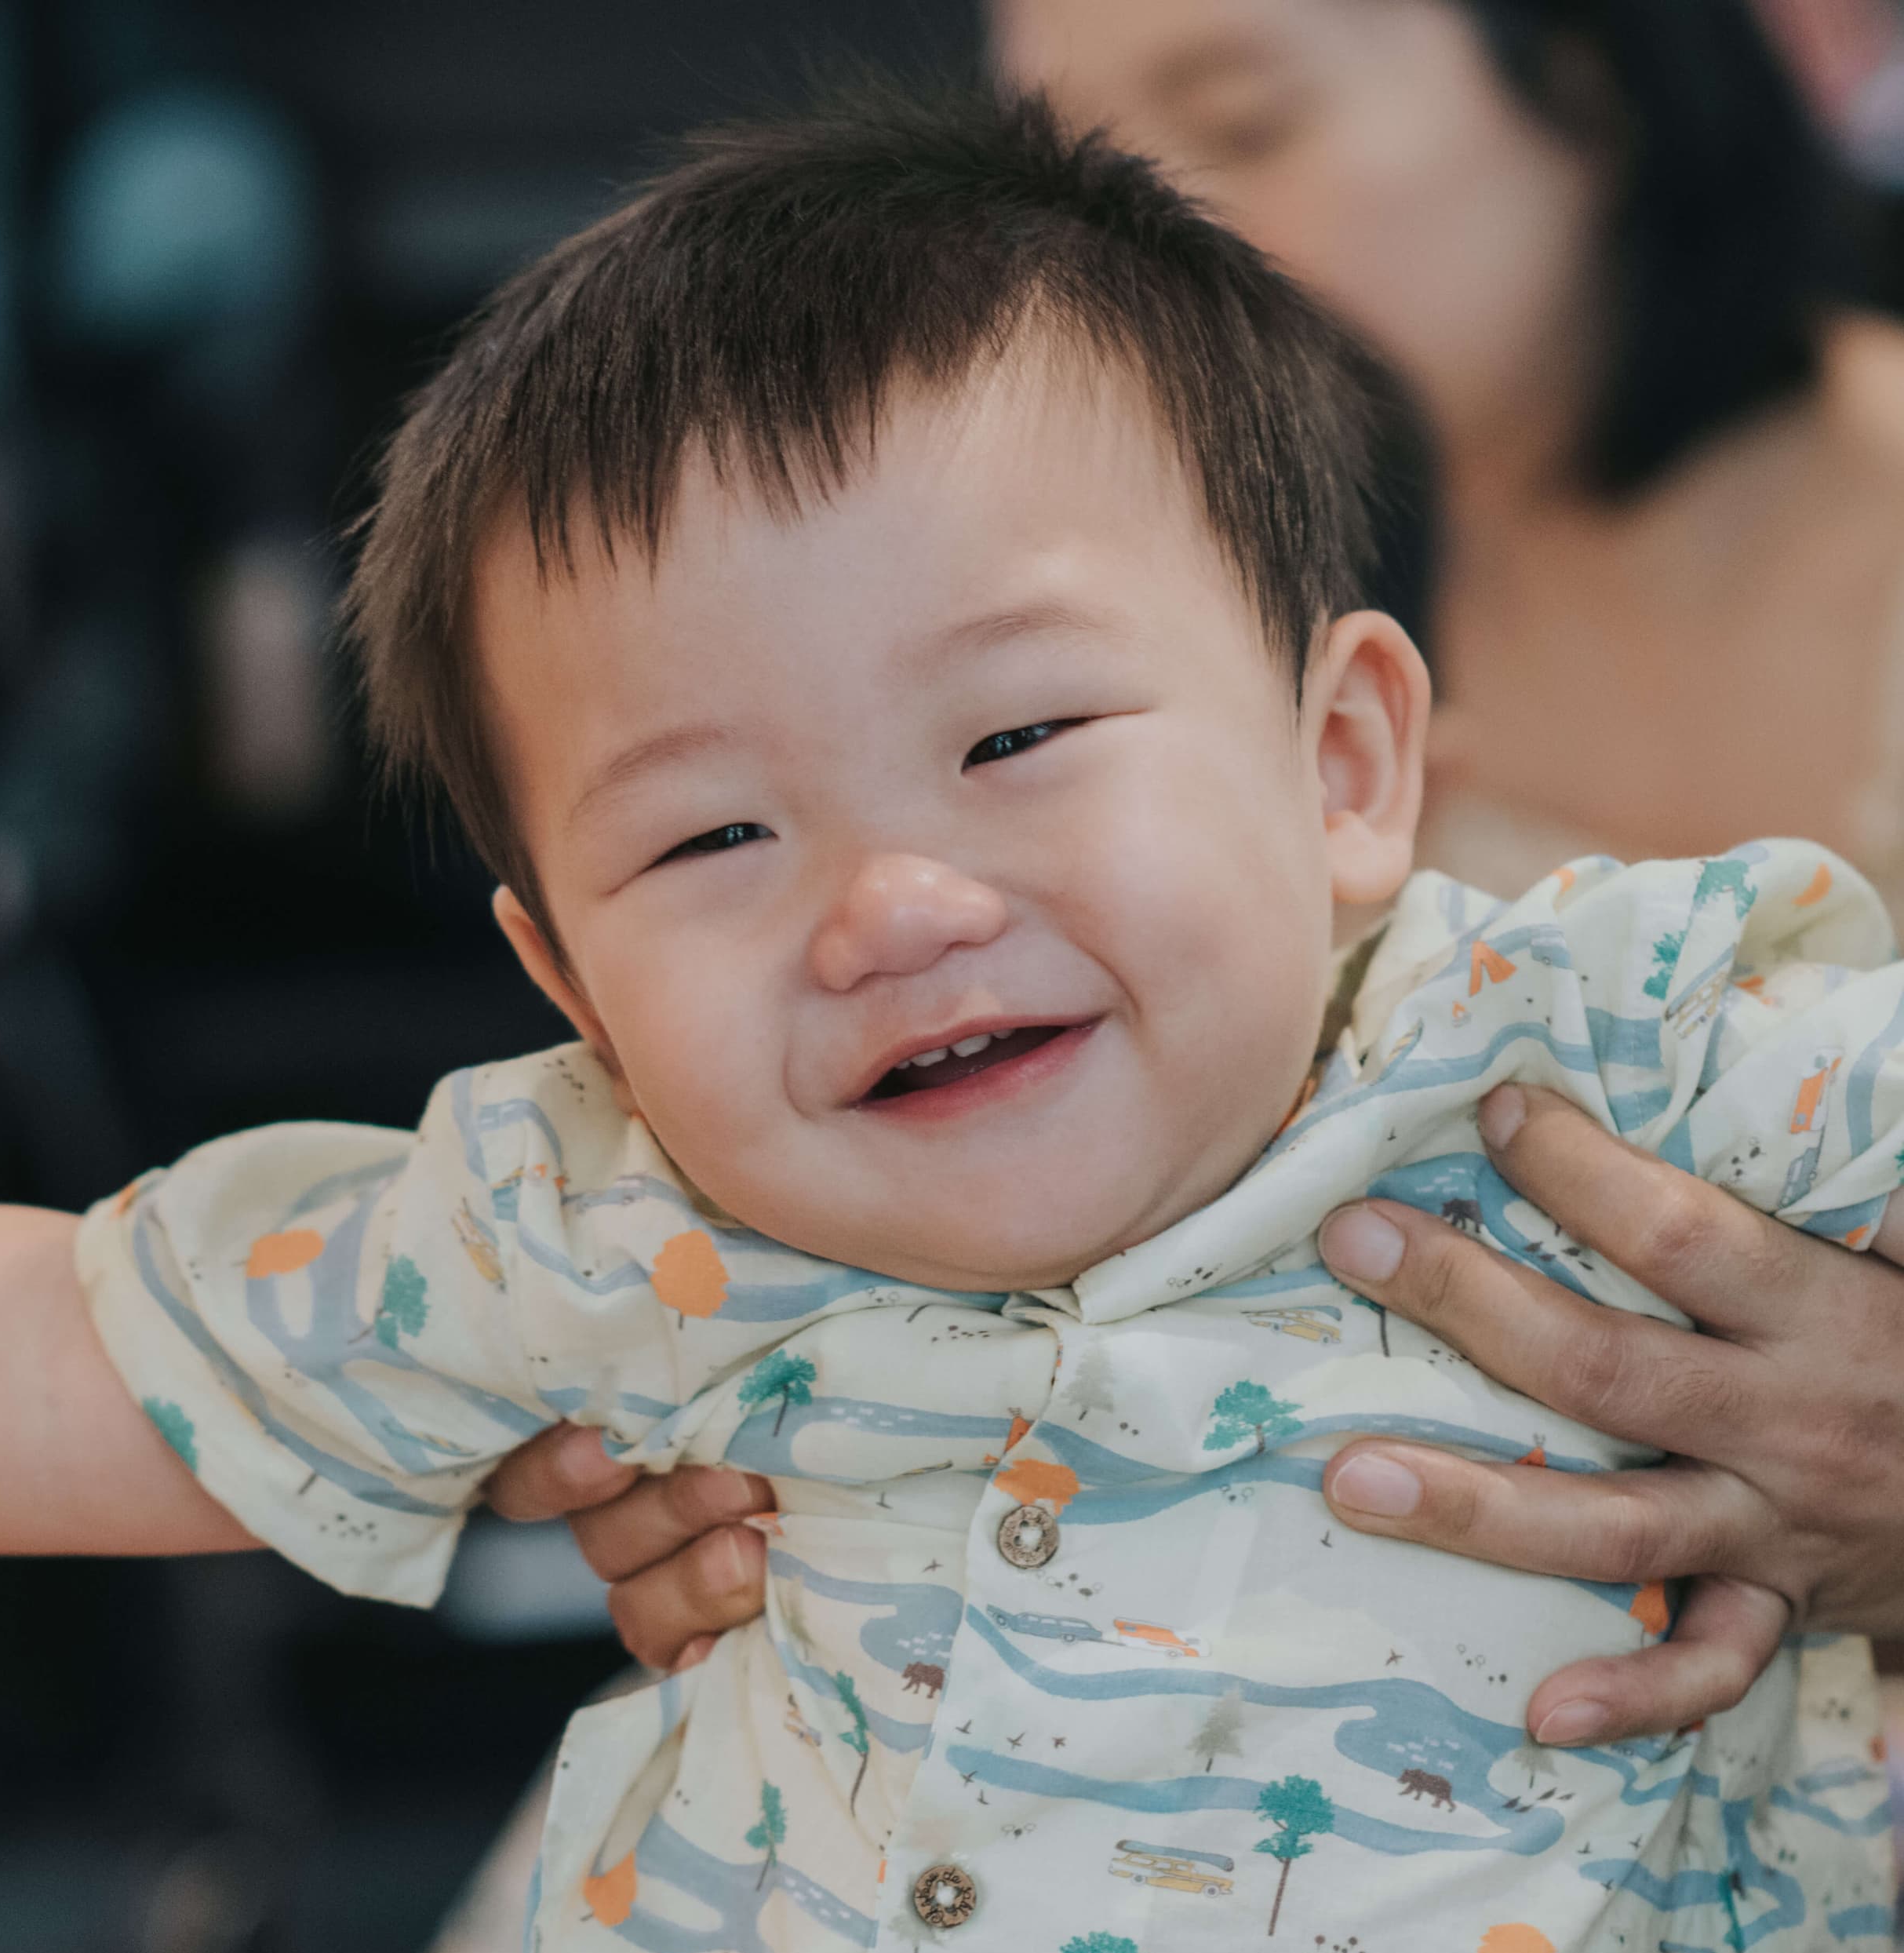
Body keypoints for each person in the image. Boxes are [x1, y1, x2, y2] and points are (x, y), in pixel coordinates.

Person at [0, 93, 1904, 1953]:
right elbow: (65, 1352)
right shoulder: (601, 1212)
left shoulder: (1605, 1070)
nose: (896, 901)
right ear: (560, 980)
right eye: (710, 842)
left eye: (1019, 740)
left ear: (1349, 765)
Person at [500, 0, 1904, 1758]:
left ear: (1597, 74)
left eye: (1233, 122)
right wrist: (753, 1482)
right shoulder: (988, 664)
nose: (1117, 245)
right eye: (1060, 162)